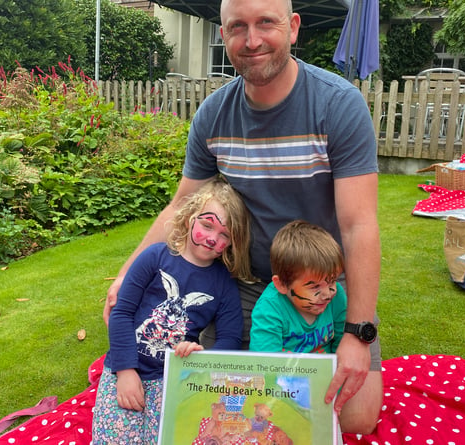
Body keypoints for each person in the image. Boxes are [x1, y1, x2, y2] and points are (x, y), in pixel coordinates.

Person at [103, 0, 382, 434]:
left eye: (265, 24)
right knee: (212, 399)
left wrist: (358, 333)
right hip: (246, 286)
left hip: (324, 285)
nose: (251, 41)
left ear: (292, 28)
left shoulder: (337, 105)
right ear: (223, 35)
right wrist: (124, 275)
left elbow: (358, 225)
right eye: (238, 27)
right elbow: (181, 206)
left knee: (357, 419)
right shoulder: (213, 115)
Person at [92, 179, 253, 444]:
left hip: (173, 380)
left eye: (225, 234)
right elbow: (121, 314)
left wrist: (201, 359)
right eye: (207, 224)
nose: (213, 237)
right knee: (113, 439)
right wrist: (125, 372)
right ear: (190, 218)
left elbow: (229, 340)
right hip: (123, 368)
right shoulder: (154, 257)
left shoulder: (224, 285)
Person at [249, 220, 347, 353]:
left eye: (332, 281)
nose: (327, 294)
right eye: (315, 287)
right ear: (282, 284)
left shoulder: (337, 297)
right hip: (282, 372)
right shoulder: (269, 309)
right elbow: (266, 365)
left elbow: (344, 343)